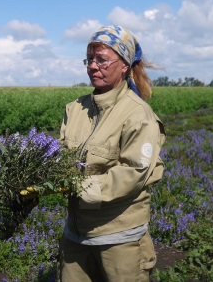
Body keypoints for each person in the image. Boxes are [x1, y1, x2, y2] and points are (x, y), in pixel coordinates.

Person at [58, 25, 166, 282]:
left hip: (119, 239)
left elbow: (133, 172)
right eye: (90, 59)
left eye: (102, 60)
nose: (93, 66)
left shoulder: (138, 114)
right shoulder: (75, 109)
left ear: (124, 65)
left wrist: (78, 187)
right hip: (76, 235)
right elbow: (61, 156)